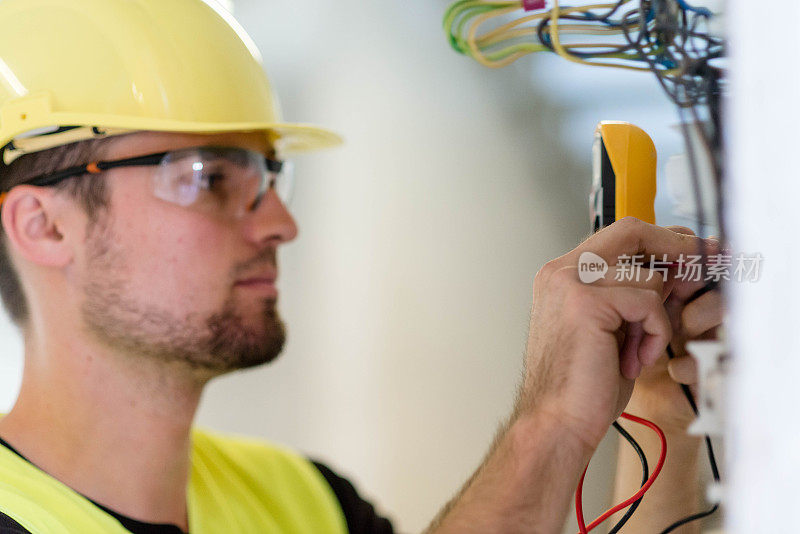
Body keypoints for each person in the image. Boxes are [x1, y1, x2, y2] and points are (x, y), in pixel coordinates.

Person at [0, 0, 720, 532]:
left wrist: (654, 400)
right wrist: (553, 420)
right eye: (209, 177)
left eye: (269, 178)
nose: (281, 224)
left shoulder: (303, 501)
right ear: (43, 225)